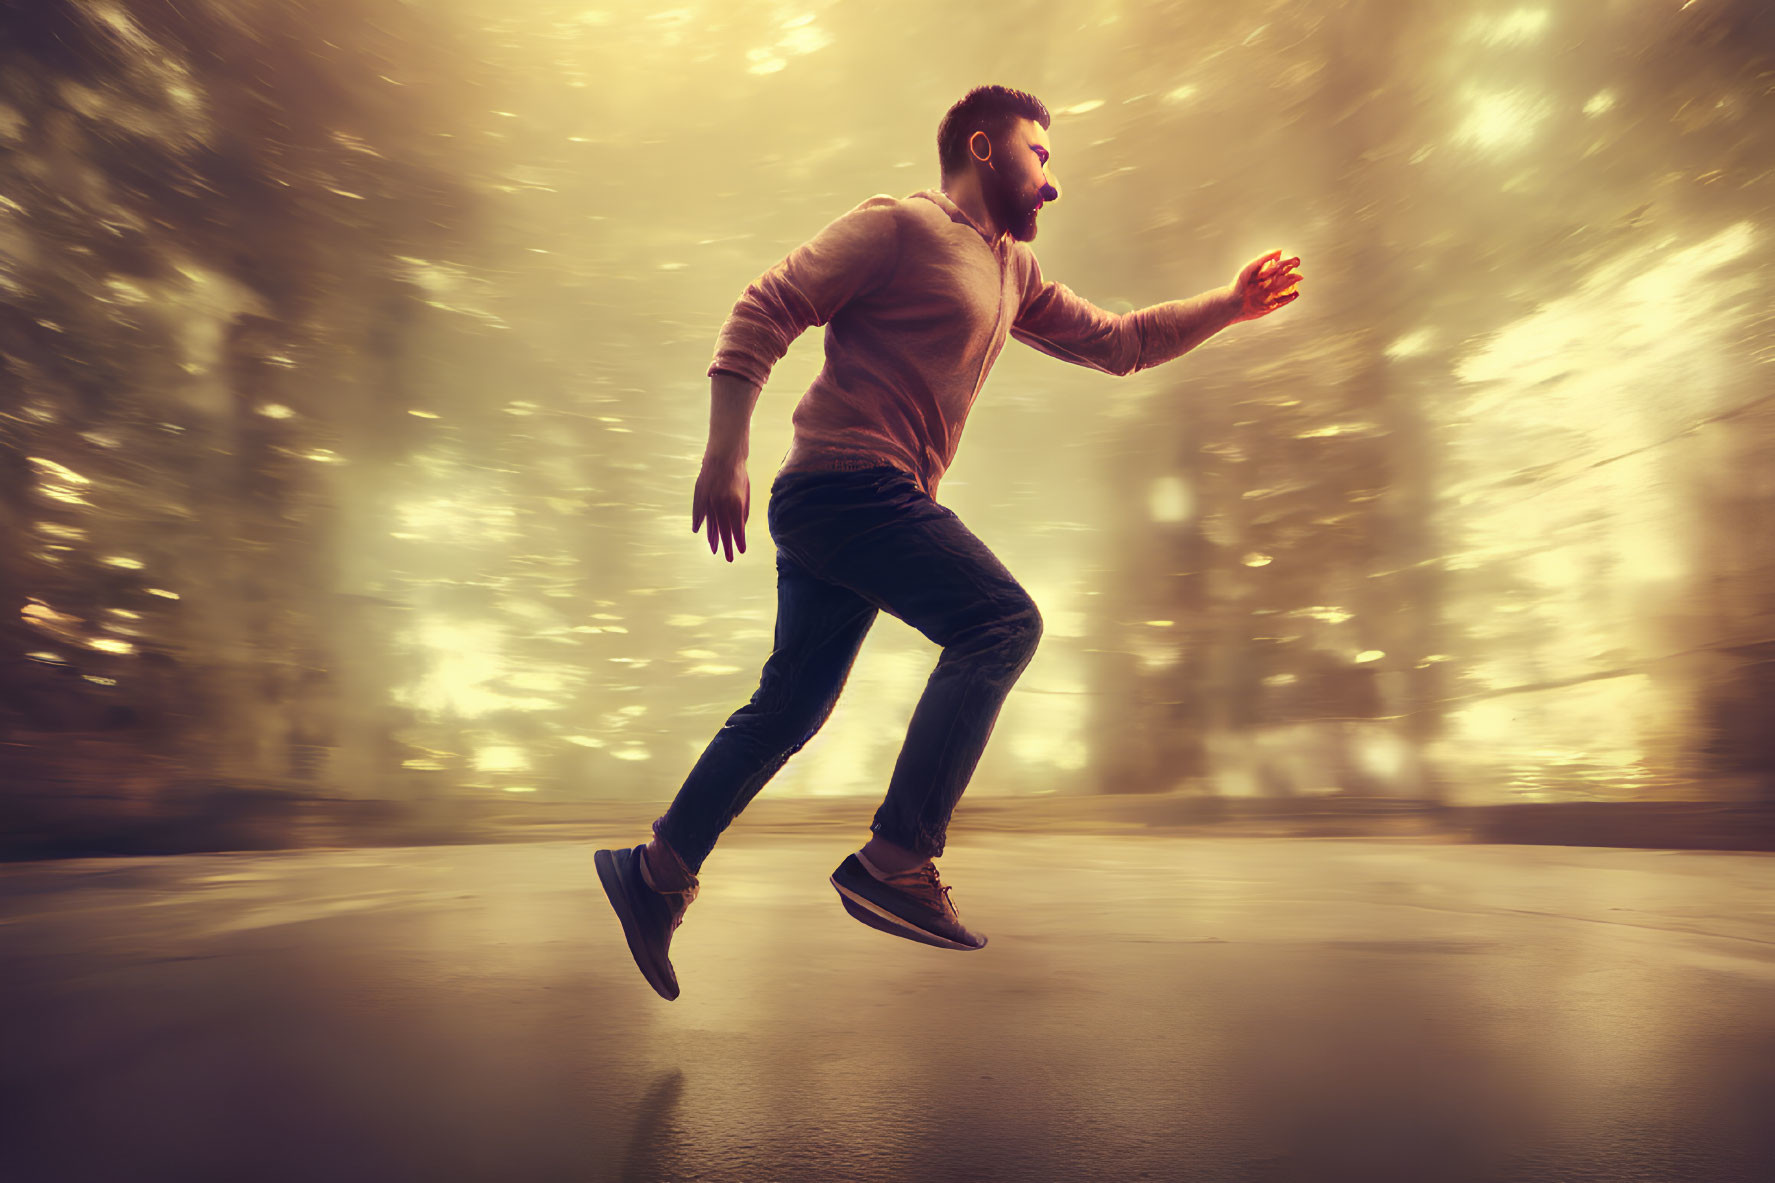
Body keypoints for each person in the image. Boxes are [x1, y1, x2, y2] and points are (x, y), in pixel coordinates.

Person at [595, 84, 1303, 1000]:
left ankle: (654, 875)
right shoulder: (898, 226)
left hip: (850, 504)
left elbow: (1120, 344)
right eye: (1039, 156)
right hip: (846, 487)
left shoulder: (1012, 273)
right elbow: (765, 307)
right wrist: (724, 453)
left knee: (790, 707)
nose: (1051, 182)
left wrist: (1229, 305)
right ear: (983, 148)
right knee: (1000, 624)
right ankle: (896, 858)